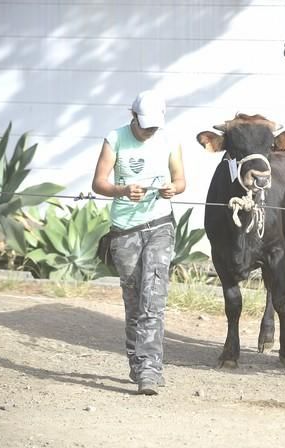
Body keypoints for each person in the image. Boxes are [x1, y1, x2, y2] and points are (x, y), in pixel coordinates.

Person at [91, 90, 185, 395]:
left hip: (160, 225)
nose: (149, 132)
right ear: (132, 116)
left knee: (153, 298)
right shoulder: (115, 138)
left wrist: (173, 189)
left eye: (154, 127)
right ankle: (137, 362)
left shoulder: (170, 140)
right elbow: (98, 183)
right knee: (134, 301)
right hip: (125, 230)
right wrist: (122, 190)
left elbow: (181, 180)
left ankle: (149, 367)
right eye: (144, 126)